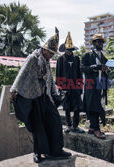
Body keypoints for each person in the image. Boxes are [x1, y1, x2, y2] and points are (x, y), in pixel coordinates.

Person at [10, 28, 71, 163]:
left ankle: (56, 150)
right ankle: (37, 152)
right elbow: (22, 73)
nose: (51, 55)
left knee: (55, 121)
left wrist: (56, 92)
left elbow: (49, 80)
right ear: (44, 49)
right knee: (38, 126)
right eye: (49, 52)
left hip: (45, 97)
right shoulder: (33, 58)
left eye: (53, 53)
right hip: (33, 97)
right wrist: (14, 89)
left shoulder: (47, 62)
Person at [81, 34, 109, 139]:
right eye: (98, 41)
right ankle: (96, 129)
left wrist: (107, 69)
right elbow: (83, 68)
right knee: (93, 106)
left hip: (100, 84)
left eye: (101, 42)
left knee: (99, 105)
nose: (100, 43)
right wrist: (95, 67)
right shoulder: (87, 55)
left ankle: (93, 128)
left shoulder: (102, 56)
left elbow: (106, 67)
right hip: (91, 84)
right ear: (93, 43)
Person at [56, 32, 85, 134]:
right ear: (65, 50)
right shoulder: (60, 59)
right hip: (65, 87)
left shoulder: (76, 59)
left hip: (75, 86)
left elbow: (79, 73)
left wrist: (80, 86)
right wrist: (59, 87)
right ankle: (68, 125)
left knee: (77, 107)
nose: (69, 52)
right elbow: (58, 74)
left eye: (70, 50)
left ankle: (76, 126)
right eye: (67, 50)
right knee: (67, 107)